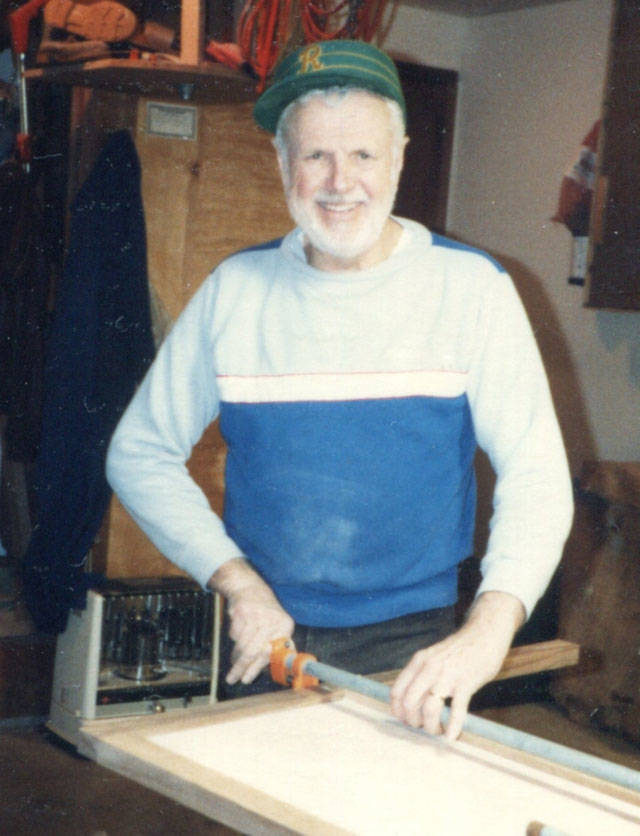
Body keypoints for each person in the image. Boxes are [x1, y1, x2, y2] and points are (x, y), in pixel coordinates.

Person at [106, 39, 573, 740]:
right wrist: (237, 584)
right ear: (281, 162)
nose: (339, 182)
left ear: (400, 159)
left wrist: (487, 629)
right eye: (316, 155)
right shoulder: (235, 290)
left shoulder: (473, 289)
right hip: (263, 634)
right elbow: (138, 453)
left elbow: (537, 475)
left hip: (414, 646)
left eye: (363, 155)